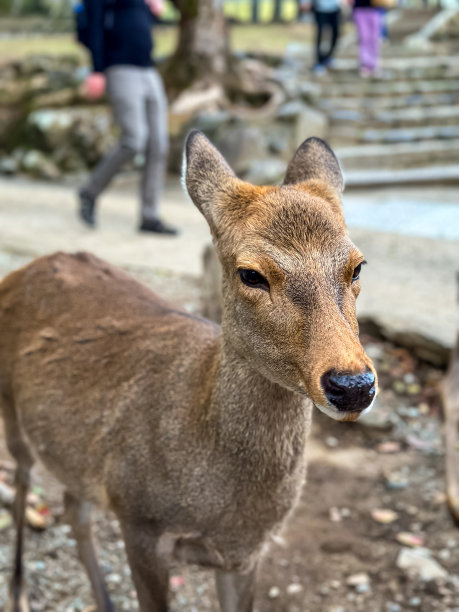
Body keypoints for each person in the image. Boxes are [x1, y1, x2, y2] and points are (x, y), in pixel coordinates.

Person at [76, 0, 177, 235]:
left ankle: (149, 216)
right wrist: (97, 69)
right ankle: (89, 191)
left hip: (149, 70)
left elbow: (137, 25)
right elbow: (94, 26)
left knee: (159, 144)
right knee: (134, 140)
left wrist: (154, 10)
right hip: (119, 69)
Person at [301, 0, 342, 74]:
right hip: (321, 8)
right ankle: (319, 61)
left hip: (335, 8)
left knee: (336, 34)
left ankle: (328, 57)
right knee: (320, 35)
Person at [353, 0, 382, 77]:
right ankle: (365, 64)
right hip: (360, 9)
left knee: (374, 38)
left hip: (374, 9)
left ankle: (373, 64)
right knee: (364, 38)